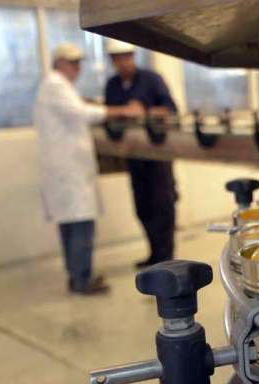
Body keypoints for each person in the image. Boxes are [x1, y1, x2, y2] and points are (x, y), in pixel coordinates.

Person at [35, 43, 143, 295]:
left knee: (71, 225)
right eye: (72, 63)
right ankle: (82, 279)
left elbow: (77, 108)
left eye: (78, 63)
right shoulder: (55, 85)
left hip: (67, 170)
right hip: (68, 171)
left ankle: (76, 276)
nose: (77, 67)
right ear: (59, 63)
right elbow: (81, 113)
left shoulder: (59, 87)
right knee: (81, 225)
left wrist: (100, 105)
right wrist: (124, 111)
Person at [104, 39, 179, 268]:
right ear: (112, 61)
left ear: (133, 57)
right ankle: (155, 254)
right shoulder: (113, 85)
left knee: (162, 204)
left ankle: (166, 258)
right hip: (134, 156)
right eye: (118, 59)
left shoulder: (151, 80)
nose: (123, 63)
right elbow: (110, 115)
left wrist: (143, 111)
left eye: (127, 57)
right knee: (143, 207)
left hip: (157, 156)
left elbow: (170, 110)